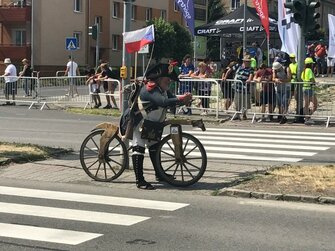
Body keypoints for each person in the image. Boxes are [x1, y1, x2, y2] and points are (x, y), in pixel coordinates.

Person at [129, 63, 192, 189]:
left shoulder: (163, 90)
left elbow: (171, 101)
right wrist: (180, 99)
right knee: (139, 148)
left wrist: (183, 99)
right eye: (166, 79)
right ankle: (140, 181)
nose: (169, 81)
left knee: (155, 147)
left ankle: (159, 174)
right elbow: (162, 102)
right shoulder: (150, 88)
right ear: (158, 80)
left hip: (152, 124)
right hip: (141, 122)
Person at [233, 55, 254, 120]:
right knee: (237, 102)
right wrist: (224, 76)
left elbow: (251, 75)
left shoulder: (251, 69)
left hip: (246, 89)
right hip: (238, 88)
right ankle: (237, 114)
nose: (248, 63)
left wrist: (249, 79)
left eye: (249, 62)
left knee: (245, 102)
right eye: (246, 61)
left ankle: (244, 114)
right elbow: (229, 69)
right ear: (244, 61)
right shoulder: (238, 67)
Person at [301, 57, 317, 125]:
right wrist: (314, 82)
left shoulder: (303, 71)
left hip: (304, 88)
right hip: (309, 88)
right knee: (315, 104)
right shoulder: (309, 70)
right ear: (310, 64)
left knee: (306, 104)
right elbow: (311, 79)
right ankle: (308, 117)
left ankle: (307, 118)